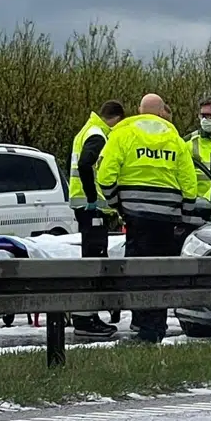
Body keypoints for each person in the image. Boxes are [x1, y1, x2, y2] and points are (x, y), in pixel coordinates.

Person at [96, 93, 206, 344]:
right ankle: (156, 326)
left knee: (137, 271)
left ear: (138, 110)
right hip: (166, 219)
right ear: (161, 112)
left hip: (136, 216)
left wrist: (117, 204)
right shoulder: (174, 138)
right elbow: (189, 182)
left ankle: (143, 327)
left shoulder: (123, 134)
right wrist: (185, 215)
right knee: (160, 273)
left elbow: (105, 175)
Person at [66, 99, 126, 339]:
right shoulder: (98, 134)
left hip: (86, 207)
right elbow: (84, 164)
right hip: (92, 209)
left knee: (93, 258)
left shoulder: (87, 129)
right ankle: (85, 318)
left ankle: (88, 316)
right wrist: (93, 196)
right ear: (116, 119)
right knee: (94, 260)